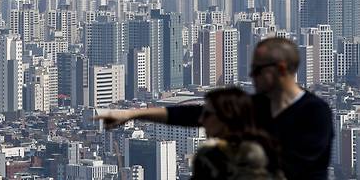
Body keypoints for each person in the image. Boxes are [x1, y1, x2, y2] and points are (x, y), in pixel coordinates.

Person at [93, 37, 333, 180]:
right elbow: (196, 114)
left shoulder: (315, 112)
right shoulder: (259, 105)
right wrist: (133, 114)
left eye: (258, 69)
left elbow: (298, 166)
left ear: (281, 69)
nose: (252, 75)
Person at [191, 87, 284, 180]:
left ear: (226, 115)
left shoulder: (213, 158)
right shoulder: (271, 150)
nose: (201, 120)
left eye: (207, 114)